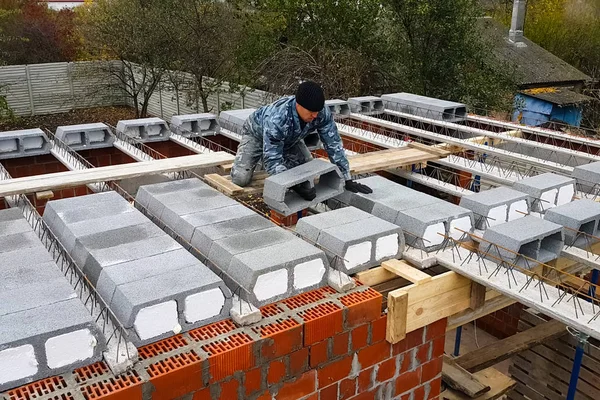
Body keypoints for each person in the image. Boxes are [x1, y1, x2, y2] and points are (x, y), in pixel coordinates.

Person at [230, 81, 373, 200]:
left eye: (317, 112)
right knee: (240, 179)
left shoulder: (320, 113)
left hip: (290, 139)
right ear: (298, 105)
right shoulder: (278, 118)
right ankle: (256, 156)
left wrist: (346, 177)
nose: (315, 116)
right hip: (256, 135)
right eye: (311, 112)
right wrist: (294, 186)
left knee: (307, 170)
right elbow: (272, 160)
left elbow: (333, 144)